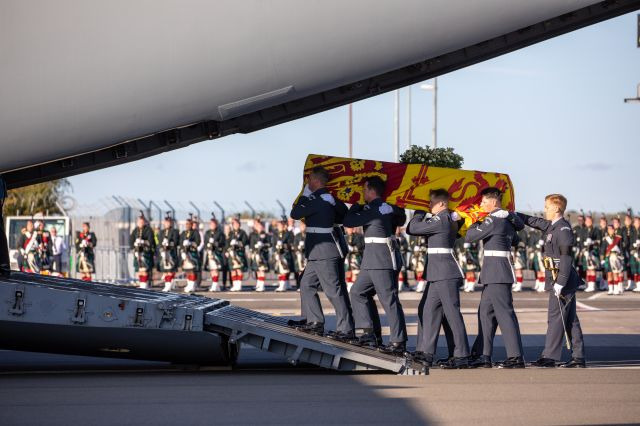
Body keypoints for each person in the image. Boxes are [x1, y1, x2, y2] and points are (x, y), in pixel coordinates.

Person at [517, 194, 586, 368]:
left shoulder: (563, 229)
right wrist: (513, 213)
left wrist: (560, 282)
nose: (544, 209)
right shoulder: (553, 226)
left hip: (562, 278)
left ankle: (550, 356)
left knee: (555, 318)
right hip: (558, 277)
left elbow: (566, 258)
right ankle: (578, 356)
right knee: (570, 319)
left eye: (547, 207)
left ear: (556, 208)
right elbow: (533, 221)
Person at [406, 189, 470, 369]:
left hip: (444, 272)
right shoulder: (445, 218)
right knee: (427, 310)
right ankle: (426, 352)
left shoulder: (442, 219)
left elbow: (413, 228)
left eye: (430, 203)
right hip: (436, 272)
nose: (428, 206)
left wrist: (418, 211)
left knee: (452, 314)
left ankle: (461, 355)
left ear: (441, 204)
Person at [289, 166, 354, 340]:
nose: (308, 183)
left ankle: (346, 329)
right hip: (319, 250)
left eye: (310, 180)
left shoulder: (316, 199)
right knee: (306, 284)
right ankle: (315, 322)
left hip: (324, 251)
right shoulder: (330, 199)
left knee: (333, 290)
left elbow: (295, 213)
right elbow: (344, 215)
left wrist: (304, 194)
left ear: (316, 181)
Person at [344, 175, 407, 354]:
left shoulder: (374, 209)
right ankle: (369, 334)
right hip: (372, 260)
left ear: (371, 190)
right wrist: (396, 207)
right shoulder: (385, 208)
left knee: (389, 300)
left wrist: (355, 206)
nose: (363, 193)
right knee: (357, 292)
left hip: (382, 260)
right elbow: (400, 218)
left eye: (364, 190)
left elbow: (349, 222)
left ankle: (398, 341)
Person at [465, 187, 525, 369]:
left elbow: (470, 236)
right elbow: (515, 239)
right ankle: (483, 354)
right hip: (494, 271)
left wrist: (475, 219)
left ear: (493, 202)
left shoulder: (493, 218)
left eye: (483, 202)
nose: (481, 205)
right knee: (485, 313)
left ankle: (515, 356)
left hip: (497, 272)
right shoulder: (504, 218)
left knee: (504, 314)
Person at [130, 212, 156, 289]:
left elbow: (151, 242)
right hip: (137, 253)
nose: (140, 223)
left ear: (144, 222)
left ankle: (144, 285)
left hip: (146, 252)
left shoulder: (148, 230)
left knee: (144, 270)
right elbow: (131, 240)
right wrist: (134, 246)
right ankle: (142, 284)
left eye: (141, 222)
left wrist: (143, 242)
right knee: (139, 270)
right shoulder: (135, 230)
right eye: (139, 222)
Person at [225, 216, 249, 292]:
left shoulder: (242, 232)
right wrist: (226, 250)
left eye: (237, 224)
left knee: (239, 269)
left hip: (239, 253)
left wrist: (238, 243)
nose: (236, 225)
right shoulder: (231, 233)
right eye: (234, 224)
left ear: (239, 224)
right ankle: (234, 285)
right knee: (233, 270)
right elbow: (227, 243)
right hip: (231, 254)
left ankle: (239, 285)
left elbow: (245, 241)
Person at [157, 212, 180, 292]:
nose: (167, 223)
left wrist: (169, 244)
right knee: (165, 271)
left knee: (170, 269)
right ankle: (167, 285)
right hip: (163, 253)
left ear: (171, 223)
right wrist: (162, 247)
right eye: (165, 222)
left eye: (168, 222)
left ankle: (169, 285)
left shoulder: (175, 231)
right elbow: (159, 242)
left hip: (171, 253)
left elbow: (176, 242)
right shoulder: (162, 232)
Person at [204, 213, 226, 292]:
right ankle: (215, 285)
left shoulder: (220, 233)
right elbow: (205, 243)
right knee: (212, 269)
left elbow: (223, 243)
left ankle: (215, 284)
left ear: (216, 224)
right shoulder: (207, 233)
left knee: (215, 269)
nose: (212, 225)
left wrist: (216, 244)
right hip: (209, 253)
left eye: (213, 224)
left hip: (217, 253)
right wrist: (208, 246)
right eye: (211, 224)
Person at [272, 217, 295, 292]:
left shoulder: (288, 233)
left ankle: (282, 286)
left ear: (284, 225)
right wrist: (275, 252)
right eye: (278, 225)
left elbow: (291, 244)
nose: (278, 226)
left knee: (284, 270)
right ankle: (286, 284)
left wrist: (284, 245)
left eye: (280, 225)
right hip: (278, 254)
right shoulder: (276, 234)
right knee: (280, 270)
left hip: (285, 253)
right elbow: (273, 244)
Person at [180, 216, 202, 293]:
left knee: (192, 270)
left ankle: (192, 285)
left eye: (189, 224)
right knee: (187, 270)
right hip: (185, 254)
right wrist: (182, 251)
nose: (187, 225)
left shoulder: (195, 232)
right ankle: (189, 284)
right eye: (186, 224)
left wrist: (191, 243)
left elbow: (198, 242)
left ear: (191, 225)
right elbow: (180, 243)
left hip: (192, 253)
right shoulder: (183, 233)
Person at [248, 220, 271, 292]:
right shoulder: (253, 234)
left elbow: (270, 244)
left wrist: (263, 245)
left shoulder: (266, 235)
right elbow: (250, 244)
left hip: (263, 254)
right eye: (257, 226)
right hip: (255, 254)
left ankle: (262, 285)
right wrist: (251, 250)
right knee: (258, 270)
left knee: (262, 270)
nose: (259, 227)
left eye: (260, 226)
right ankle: (259, 284)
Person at [601, 224, 624, 295]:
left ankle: (616, 289)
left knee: (615, 274)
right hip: (608, 258)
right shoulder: (605, 239)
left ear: (614, 230)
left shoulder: (618, 238)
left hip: (616, 258)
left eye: (611, 229)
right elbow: (602, 250)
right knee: (609, 274)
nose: (610, 230)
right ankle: (610, 289)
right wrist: (602, 259)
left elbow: (621, 249)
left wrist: (621, 257)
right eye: (609, 229)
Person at [344, 226, 364, 292]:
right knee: (347, 271)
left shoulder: (359, 236)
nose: (349, 229)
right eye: (348, 228)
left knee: (355, 272)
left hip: (355, 256)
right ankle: (349, 285)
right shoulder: (345, 237)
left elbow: (360, 247)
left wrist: (352, 249)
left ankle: (355, 286)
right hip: (347, 257)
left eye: (351, 228)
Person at [292, 221, 307, 290]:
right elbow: (294, 245)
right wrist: (297, 248)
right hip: (299, 255)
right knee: (299, 271)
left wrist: (304, 246)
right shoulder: (297, 235)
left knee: (306, 271)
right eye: (301, 226)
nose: (302, 228)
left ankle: (306, 286)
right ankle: (299, 285)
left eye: (303, 226)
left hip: (306, 255)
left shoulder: (308, 235)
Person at [396, 227, 410, 292]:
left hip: (402, 256)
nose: (398, 230)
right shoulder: (391, 236)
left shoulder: (403, 237)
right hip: (394, 256)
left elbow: (406, 246)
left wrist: (402, 248)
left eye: (398, 229)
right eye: (396, 229)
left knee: (403, 271)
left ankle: (403, 285)